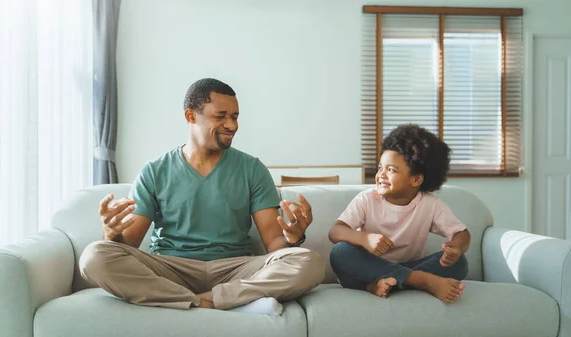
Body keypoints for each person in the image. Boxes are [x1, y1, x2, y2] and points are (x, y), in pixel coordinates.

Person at [79, 78, 325, 314]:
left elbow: (274, 245)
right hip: (171, 268)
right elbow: (128, 245)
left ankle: (204, 299)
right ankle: (214, 302)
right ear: (190, 116)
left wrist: (293, 237)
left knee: (309, 262)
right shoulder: (155, 170)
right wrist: (112, 234)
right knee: (94, 256)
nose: (232, 125)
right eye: (221, 116)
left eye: (235, 116)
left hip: (234, 269)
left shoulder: (252, 169)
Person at [328, 124, 470, 303]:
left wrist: (456, 248)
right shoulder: (366, 199)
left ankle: (383, 285)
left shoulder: (430, 205)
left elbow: (461, 233)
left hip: (409, 266)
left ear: (416, 179)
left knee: (460, 263)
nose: (381, 175)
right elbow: (335, 232)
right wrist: (365, 239)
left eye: (391, 170)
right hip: (368, 268)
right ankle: (422, 281)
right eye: (380, 167)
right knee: (340, 253)